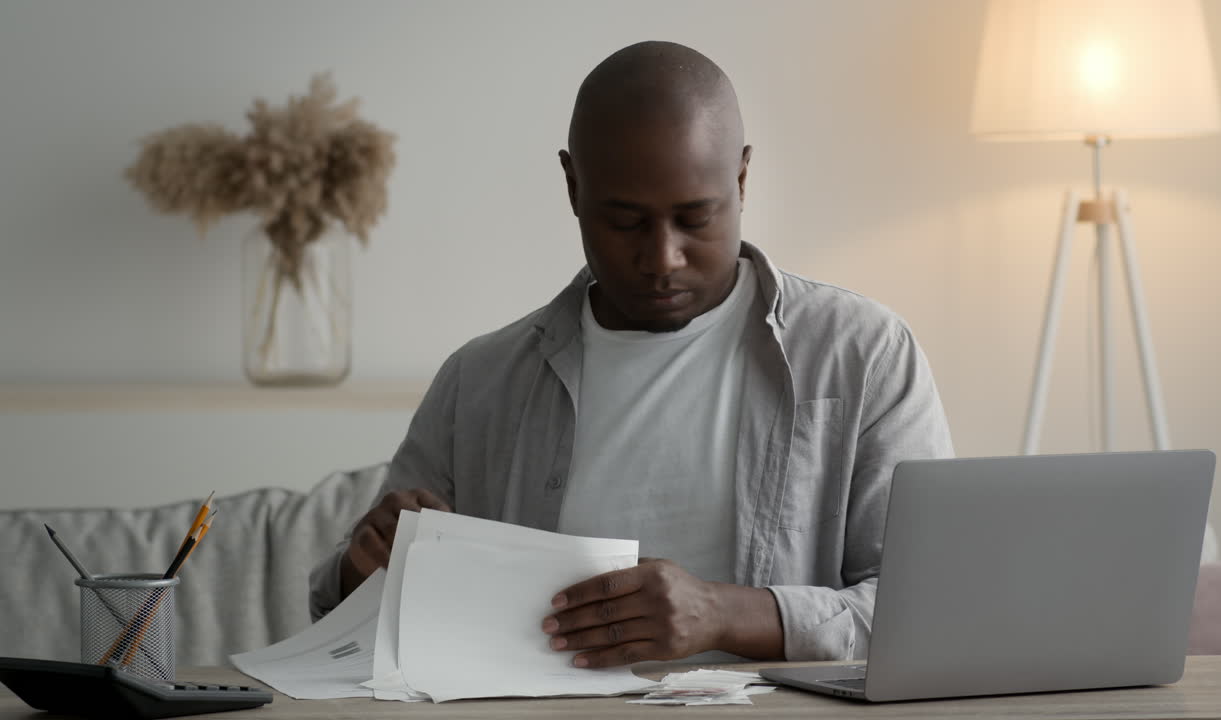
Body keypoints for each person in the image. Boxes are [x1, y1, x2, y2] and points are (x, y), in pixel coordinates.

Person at [310, 40, 952, 666]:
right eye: (624, 222)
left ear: (743, 178)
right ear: (572, 187)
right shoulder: (479, 381)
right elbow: (349, 618)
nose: (662, 258)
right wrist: (359, 572)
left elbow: (929, 611)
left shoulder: (862, 356)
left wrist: (727, 614)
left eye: (696, 219)